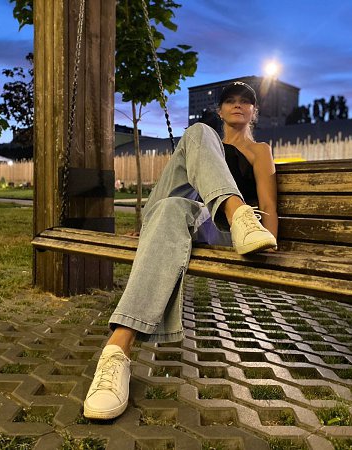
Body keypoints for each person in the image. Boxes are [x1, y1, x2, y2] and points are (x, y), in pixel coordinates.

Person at [83, 81, 278, 420]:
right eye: (230, 101)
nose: (237, 105)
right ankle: (117, 352)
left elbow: (270, 204)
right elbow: (180, 195)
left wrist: (269, 237)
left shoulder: (259, 149)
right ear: (220, 110)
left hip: (229, 232)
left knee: (179, 193)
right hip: (190, 218)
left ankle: (117, 348)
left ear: (254, 111)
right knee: (176, 194)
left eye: (245, 101)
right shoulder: (203, 142)